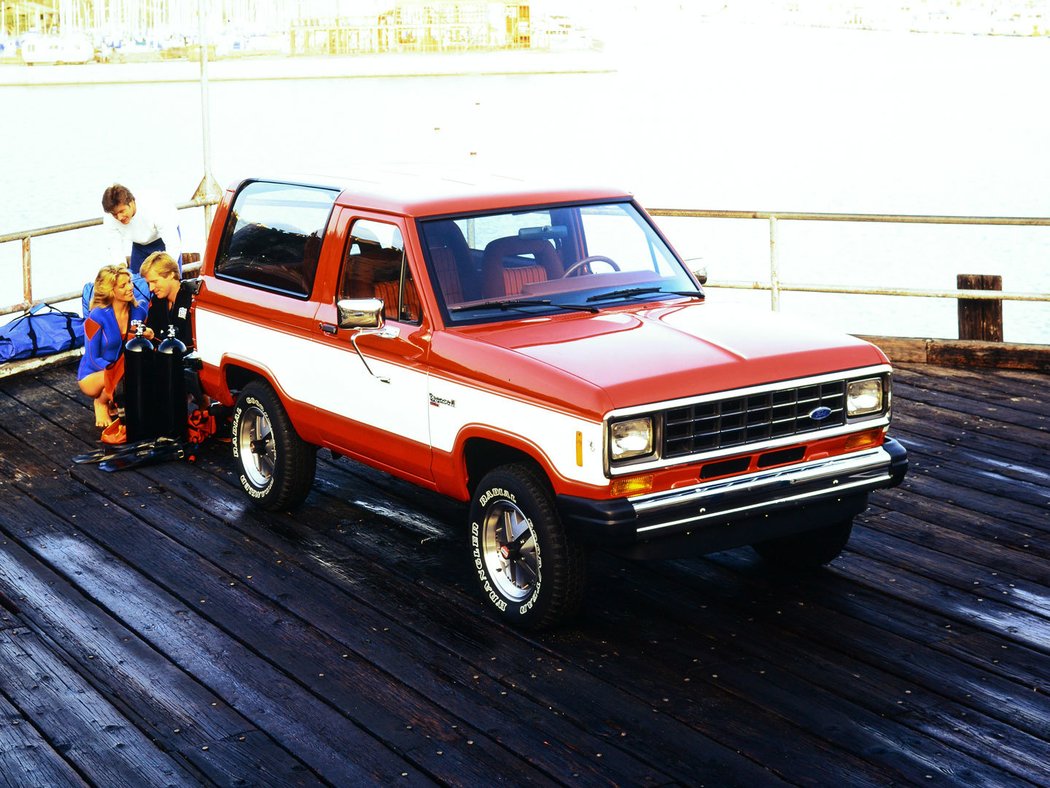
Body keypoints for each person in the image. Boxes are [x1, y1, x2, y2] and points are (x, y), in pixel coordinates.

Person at [77, 264, 147, 428]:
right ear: (111, 291)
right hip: (94, 375)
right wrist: (117, 370)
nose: (130, 287)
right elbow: (93, 358)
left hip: (124, 371)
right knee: (121, 375)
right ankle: (101, 403)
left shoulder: (140, 311)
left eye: (129, 282)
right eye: (123, 285)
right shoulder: (96, 316)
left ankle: (116, 401)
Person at [101, 184, 182, 276]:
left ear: (131, 203)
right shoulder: (109, 217)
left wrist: (166, 269)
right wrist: (121, 267)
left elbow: (172, 243)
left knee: (168, 278)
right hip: (139, 245)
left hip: (162, 238)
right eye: (115, 214)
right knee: (137, 282)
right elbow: (114, 245)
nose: (119, 217)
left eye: (121, 211)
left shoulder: (155, 207)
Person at [140, 251, 193, 348]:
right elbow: (152, 333)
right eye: (148, 283)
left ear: (171, 274)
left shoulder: (192, 300)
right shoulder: (156, 301)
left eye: (154, 281)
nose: (151, 288)